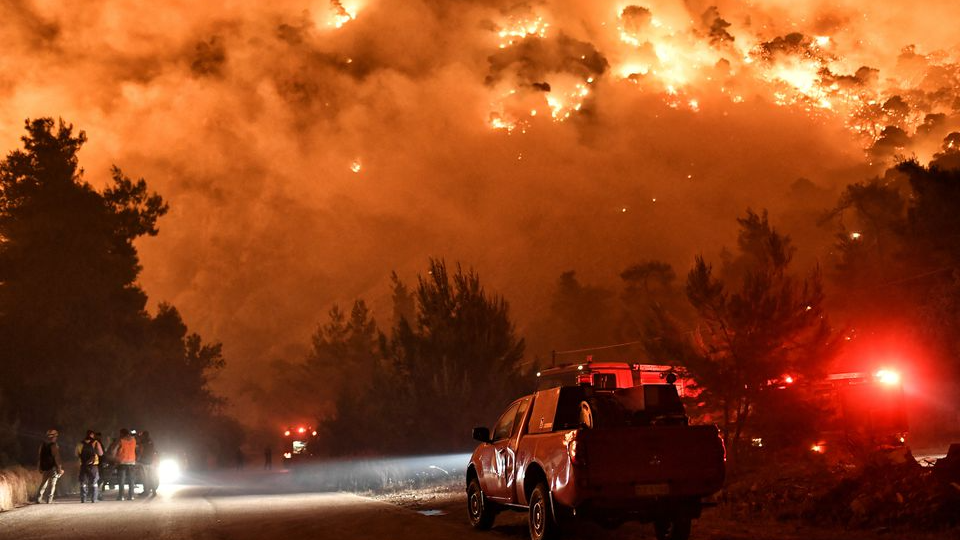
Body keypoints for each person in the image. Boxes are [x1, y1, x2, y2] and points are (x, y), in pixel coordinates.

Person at [35, 429, 63, 504]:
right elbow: (56, 457)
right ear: (53, 437)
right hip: (53, 467)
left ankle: (38, 498)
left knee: (43, 483)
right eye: (56, 436)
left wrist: (40, 467)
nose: (56, 437)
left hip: (45, 467)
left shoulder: (42, 445)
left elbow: (40, 457)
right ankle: (49, 500)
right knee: (52, 484)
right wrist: (59, 468)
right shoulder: (54, 445)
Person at [76, 430, 104, 503]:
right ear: (93, 435)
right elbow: (101, 453)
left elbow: (76, 454)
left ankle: (83, 499)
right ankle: (94, 498)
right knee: (94, 482)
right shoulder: (96, 443)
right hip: (93, 466)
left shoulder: (80, 444)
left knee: (83, 482)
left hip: (83, 465)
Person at [115, 428, 138, 500]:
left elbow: (114, 449)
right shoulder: (134, 440)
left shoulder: (121, 441)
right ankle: (131, 496)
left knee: (121, 480)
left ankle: (121, 496)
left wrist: (115, 459)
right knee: (131, 480)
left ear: (122, 433)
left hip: (122, 462)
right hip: (132, 462)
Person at [137, 431, 158, 497]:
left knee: (144, 477)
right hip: (151, 461)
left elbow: (141, 450)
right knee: (151, 476)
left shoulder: (143, 442)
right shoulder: (151, 442)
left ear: (144, 435)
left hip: (144, 461)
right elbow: (154, 450)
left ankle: (146, 491)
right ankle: (154, 491)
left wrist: (138, 459)